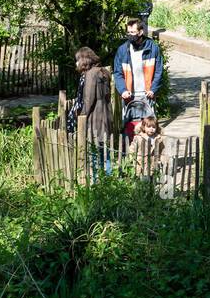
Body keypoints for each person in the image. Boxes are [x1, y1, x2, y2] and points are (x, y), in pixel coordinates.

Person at [113, 17, 164, 138]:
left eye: (133, 33)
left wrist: (153, 88)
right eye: (128, 33)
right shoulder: (122, 50)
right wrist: (123, 90)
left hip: (147, 93)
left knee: (149, 127)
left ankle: (149, 151)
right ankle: (130, 150)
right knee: (129, 126)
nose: (130, 35)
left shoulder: (153, 48)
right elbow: (117, 72)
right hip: (129, 94)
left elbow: (158, 71)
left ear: (140, 32)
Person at [68, 47, 112, 180]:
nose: (76, 64)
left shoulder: (91, 74)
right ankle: (108, 178)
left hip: (95, 116)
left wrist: (82, 117)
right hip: (105, 113)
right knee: (104, 148)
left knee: (94, 148)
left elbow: (88, 99)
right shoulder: (103, 71)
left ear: (83, 60)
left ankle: (96, 180)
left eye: (77, 60)